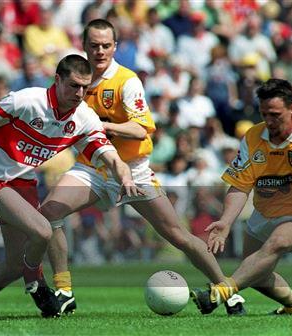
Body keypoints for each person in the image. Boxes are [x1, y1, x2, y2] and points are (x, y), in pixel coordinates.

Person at [41, 19, 245, 315]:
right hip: (92, 166)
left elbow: (141, 129)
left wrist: (103, 125)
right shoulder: (74, 79)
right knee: (48, 213)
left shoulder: (127, 81)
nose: (100, 51)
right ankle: (64, 291)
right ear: (83, 46)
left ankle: (227, 290)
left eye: (106, 45)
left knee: (177, 235)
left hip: (133, 169)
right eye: (94, 45)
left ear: (115, 47)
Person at [0, 54, 141, 319]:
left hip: (22, 183)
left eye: (85, 87)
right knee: (43, 229)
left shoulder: (85, 117)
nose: (79, 93)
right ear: (57, 80)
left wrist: (126, 177)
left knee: (14, 264)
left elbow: (112, 157)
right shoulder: (27, 100)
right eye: (74, 85)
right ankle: (37, 284)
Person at [191, 79, 292, 315]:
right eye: (264, 113)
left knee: (277, 242)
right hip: (264, 211)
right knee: (256, 272)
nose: (268, 121)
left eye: (275, 114)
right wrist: (226, 222)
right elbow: (240, 186)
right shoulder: (253, 136)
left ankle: (222, 292)